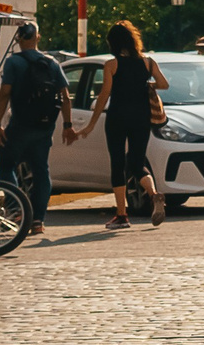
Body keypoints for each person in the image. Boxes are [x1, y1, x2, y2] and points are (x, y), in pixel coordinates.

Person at [64, 21, 169, 229]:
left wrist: (90, 125)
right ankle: (154, 194)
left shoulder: (112, 65)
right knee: (138, 164)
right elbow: (164, 84)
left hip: (118, 118)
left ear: (113, 43)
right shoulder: (148, 63)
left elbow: (104, 96)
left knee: (118, 164)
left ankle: (122, 215)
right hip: (141, 118)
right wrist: (147, 84)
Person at [0, 23, 68, 236]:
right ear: (38, 37)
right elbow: (65, 97)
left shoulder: (13, 62)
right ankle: (38, 221)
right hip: (44, 128)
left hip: (19, 125)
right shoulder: (52, 63)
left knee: (6, 165)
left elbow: (5, 93)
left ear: (18, 39)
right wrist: (68, 125)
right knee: (41, 171)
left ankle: (16, 211)